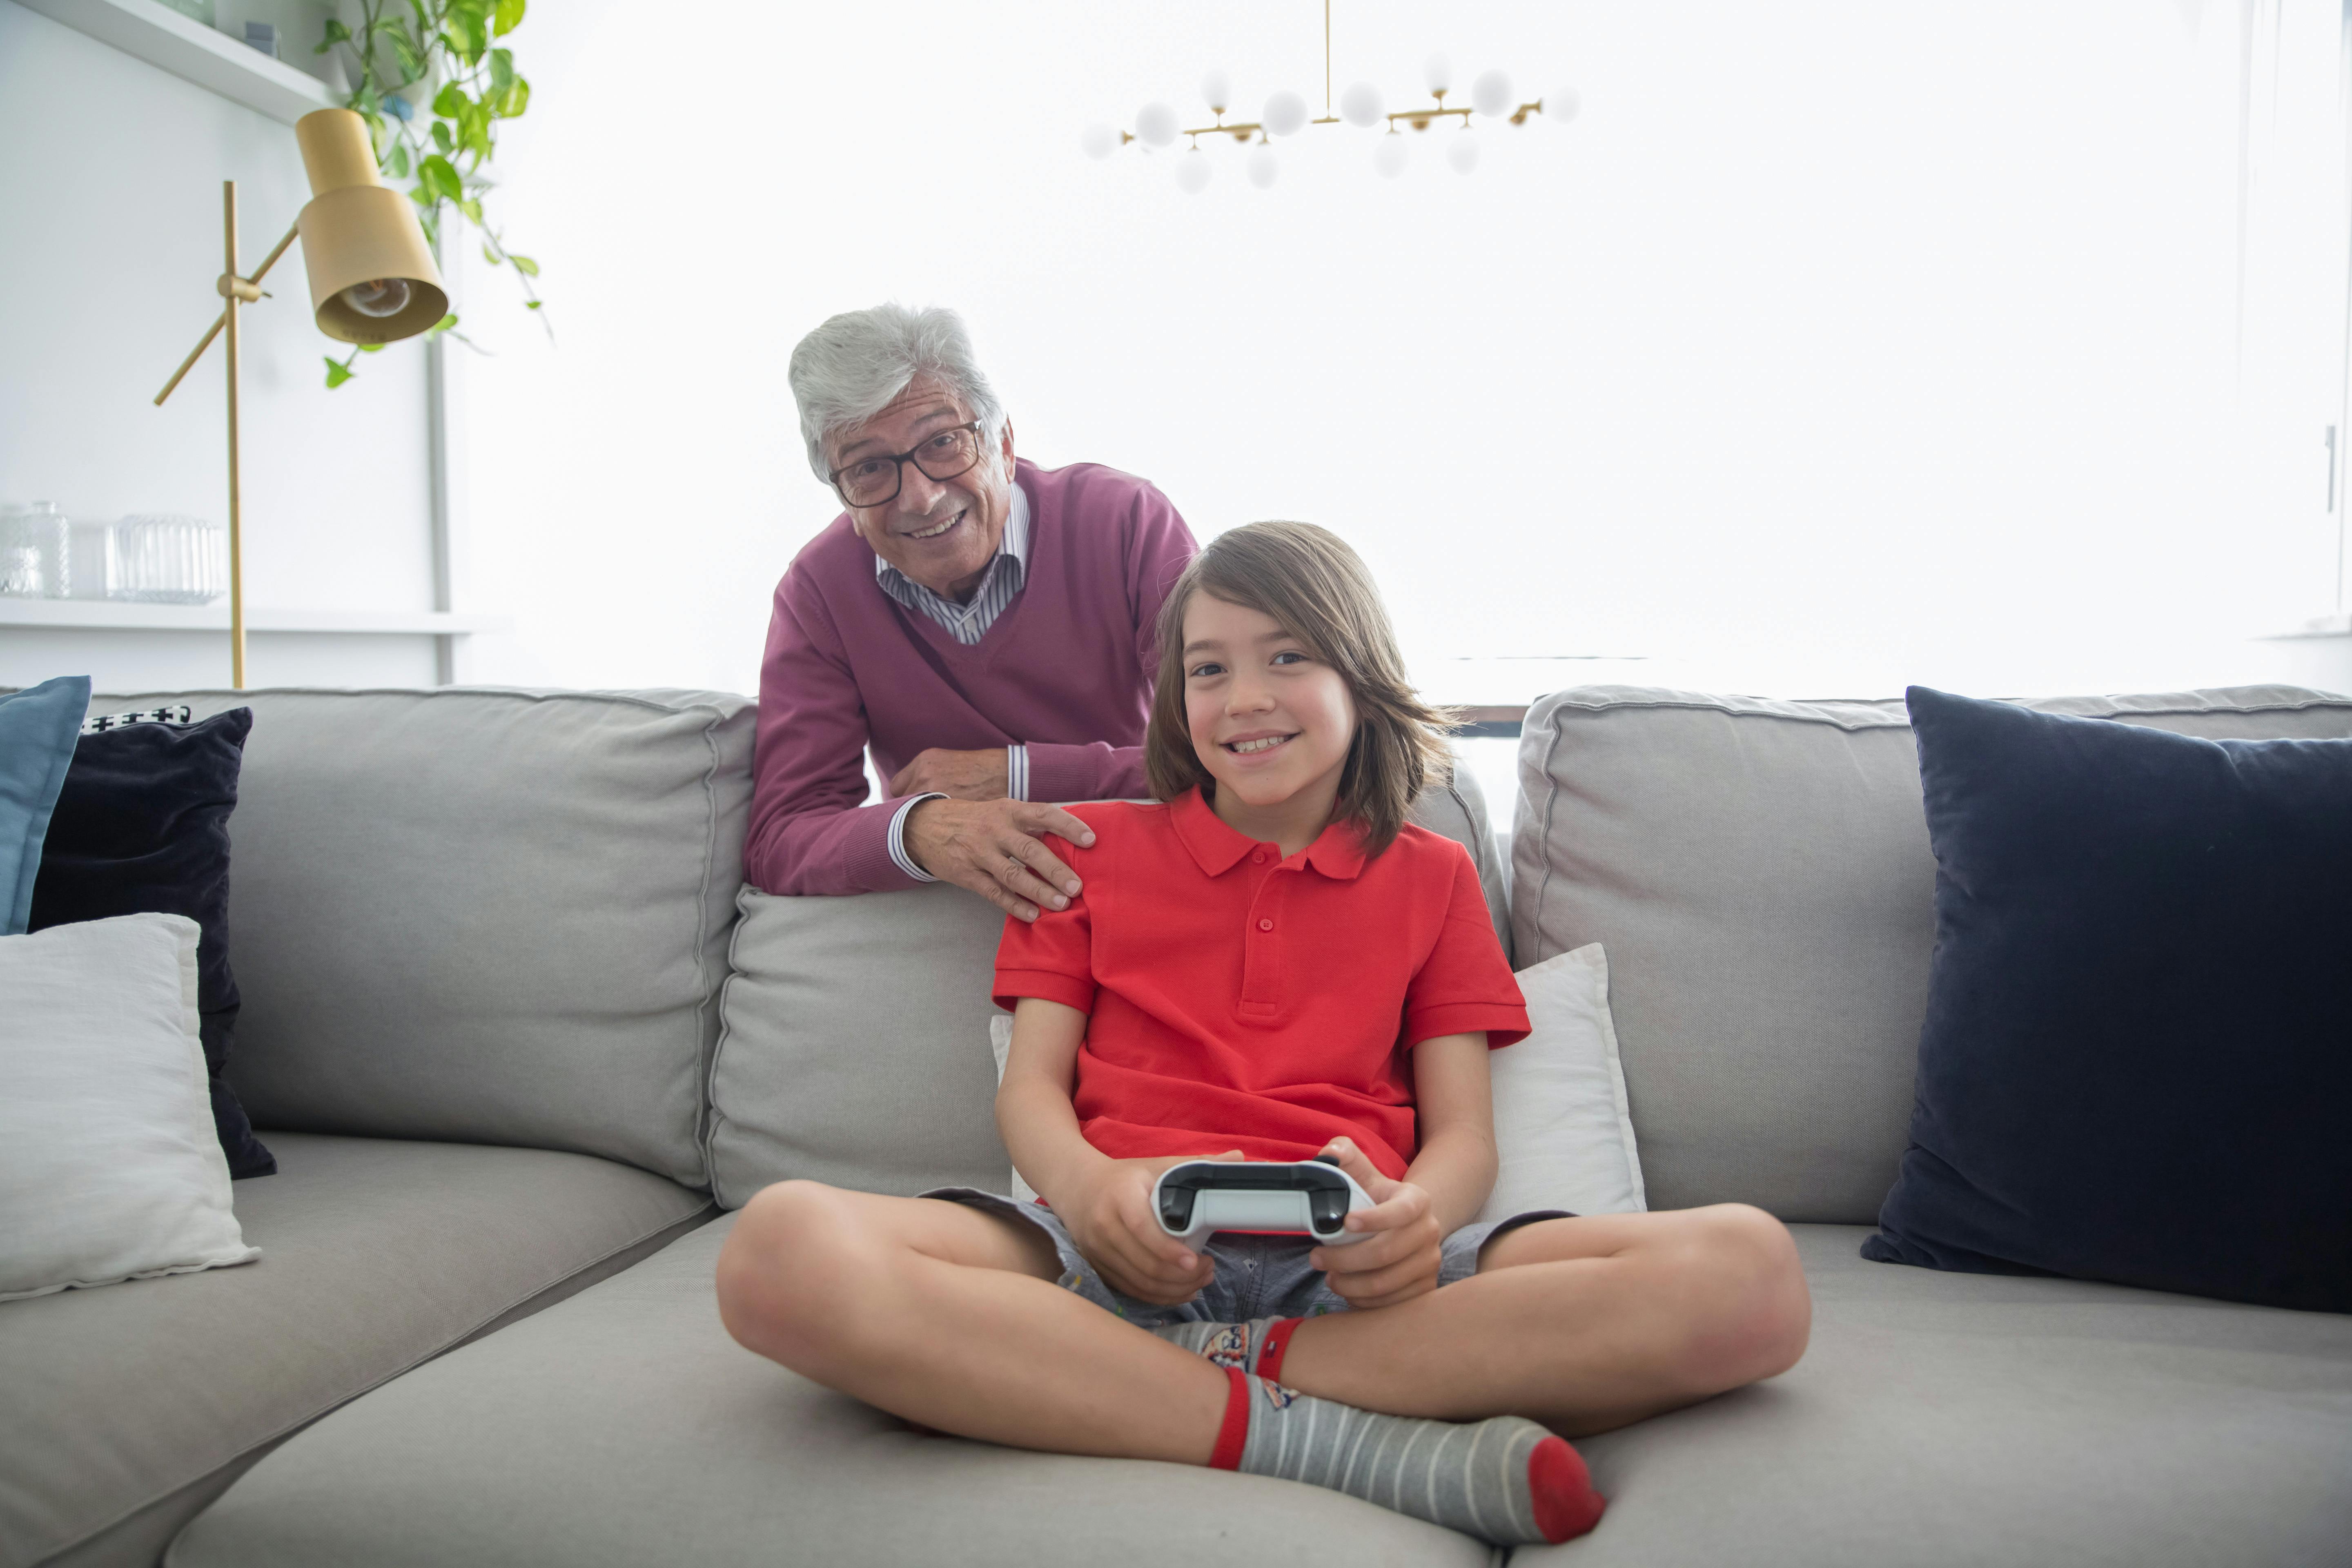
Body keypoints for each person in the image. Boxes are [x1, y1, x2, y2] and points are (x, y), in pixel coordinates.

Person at [715, 523, 1812, 1546]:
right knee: (780, 1252)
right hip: (1106, 1253)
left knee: (1752, 1276)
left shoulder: (1430, 876)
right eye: (1208, 668)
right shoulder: (1089, 846)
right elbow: (1032, 1095)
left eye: (1287, 658)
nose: (1245, 698)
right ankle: (1306, 1431)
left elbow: (1465, 1133)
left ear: (1358, 675)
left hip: (1358, 1275)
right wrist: (1093, 1194)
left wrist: (1415, 1220)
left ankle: (1194, 1373)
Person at [747, 303, 1198, 920]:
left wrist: (1022, 774)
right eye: (870, 468)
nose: (921, 496)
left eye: (942, 442)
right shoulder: (819, 593)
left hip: (1140, 872)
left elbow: (1226, 753)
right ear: (842, 495)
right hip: (958, 910)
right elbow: (781, 838)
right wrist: (918, 830)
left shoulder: (1125, 522)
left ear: (1004, 444)